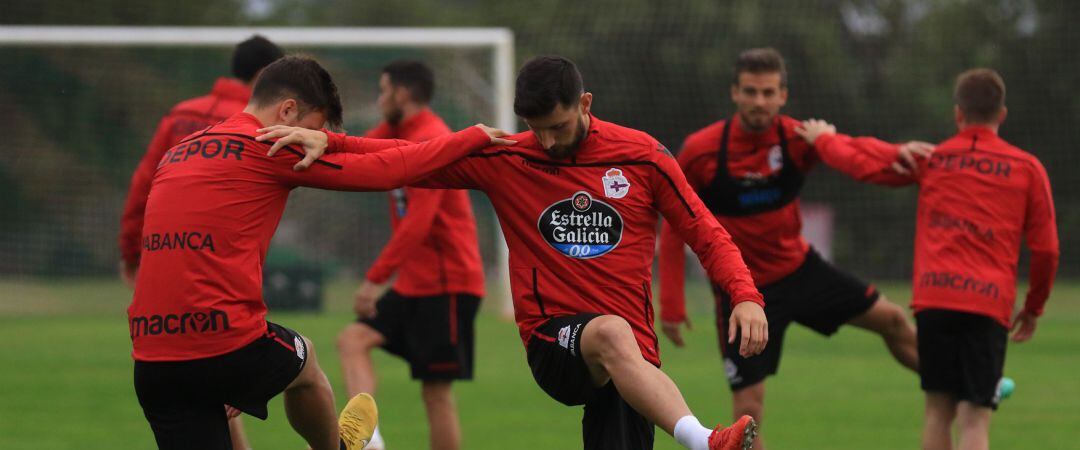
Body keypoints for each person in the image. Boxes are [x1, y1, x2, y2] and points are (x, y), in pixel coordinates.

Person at [258, 55, 768, 450]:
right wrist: (330, 141)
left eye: (559, 126)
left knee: (619, 340)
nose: (546, 140)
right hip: (553, 339)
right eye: (535, 127)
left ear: (586, 104)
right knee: (610, 329)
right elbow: (405, 161)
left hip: (634, 363)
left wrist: (745, 295)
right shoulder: (508, 160)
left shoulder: (642, 157)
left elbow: (705, 230)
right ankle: (704, 440)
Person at [127, 55, 512, 450]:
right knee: (306, 361)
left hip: (151, 358)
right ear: (288, 110)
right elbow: (388, 170)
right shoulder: (269, 144)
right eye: (312, 131)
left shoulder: (180, 151)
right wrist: (472, 136)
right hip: (224, 342)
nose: (313, 141)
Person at [657, 47, 930, 449]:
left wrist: (896, 153)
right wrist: (673, 304)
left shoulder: (796, 138)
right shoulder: (702, 150)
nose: (759, 102)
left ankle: (962, 387)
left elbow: (850, 151)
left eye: (768, 93)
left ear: (783, 95)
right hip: (742, 293)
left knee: (891, 320)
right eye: (750, 92)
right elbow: (675, 225)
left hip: (801, 272)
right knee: (749, 414)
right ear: (734, 92)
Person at [803, 68, 1058, 450]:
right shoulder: (1027, 168)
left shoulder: (933, 158)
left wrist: (824, 141)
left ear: (958, 114)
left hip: (936, 300)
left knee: (938, 411)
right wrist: (1034, 307)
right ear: (1001, 114)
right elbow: (1047, 249)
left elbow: (867, 161)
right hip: (987, 303)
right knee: (974, 420)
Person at [116, 34, 284, 449]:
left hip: (165, 268)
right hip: (223, 271)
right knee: (229, 375)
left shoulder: (179, 116)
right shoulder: (253, 126)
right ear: (266, 76)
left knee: (204, 393)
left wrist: (130, 251)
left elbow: (143, 185)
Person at [335, 60, 485, 450]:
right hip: (417, 284)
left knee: (435, 393)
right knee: (353, 339)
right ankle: (368, 441)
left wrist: (373, 280)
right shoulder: (396, 131)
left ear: (402, 93)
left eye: (384, 91)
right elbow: (354, 148)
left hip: (447, 284)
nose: (380, 99)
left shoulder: (434, 139)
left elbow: (418, 223)